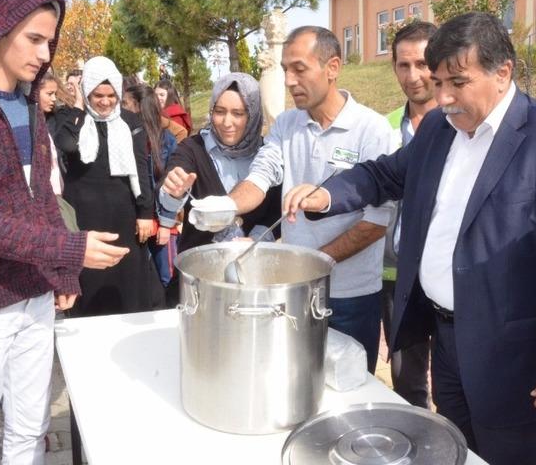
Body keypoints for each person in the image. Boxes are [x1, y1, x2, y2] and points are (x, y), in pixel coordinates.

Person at [283, 13, 536, 465]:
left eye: (458, 81)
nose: (445, 97)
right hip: (447, 344)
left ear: (503, 72)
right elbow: (383, 174)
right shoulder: (439, 128)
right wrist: (326, 194)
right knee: (457, 451)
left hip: (518, 365)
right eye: (438, 83)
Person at [0, 0, 130, 462]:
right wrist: (69, 250)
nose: (44, 54)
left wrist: (60, 271)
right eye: (34, 39)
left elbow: (41, 201)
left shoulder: (30, 106)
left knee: (29, 430)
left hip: (34, 296)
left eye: (49, 42)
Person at [197, 27, 396, 373]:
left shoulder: (372, 130)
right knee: (293, 381)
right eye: (285, 69)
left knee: (346, 389)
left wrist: (312, 263)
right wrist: (226, 205)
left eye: (299, 69)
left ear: (332, 67)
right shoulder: (288, 124)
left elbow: (377, 222)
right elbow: (261, 176)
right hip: (292, 292)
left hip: (350, 295)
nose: (289, 80)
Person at [53, 56, 159, 317]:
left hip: (123, 214)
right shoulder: (72, 119)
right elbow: (66, 145)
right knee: (89, 280)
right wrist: (78, 107)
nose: (105, 101)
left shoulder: (130, 122)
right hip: (84, 217)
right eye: (97, 94)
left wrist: (145, 213)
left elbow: (140, 167)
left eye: (111, 95)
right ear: (87, 91)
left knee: (126, 282)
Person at [159, 72, 282, 253]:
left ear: (253, 114)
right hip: (198, 271)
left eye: (238, 113)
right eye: (219, 111)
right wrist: (173, 193)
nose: (227, 122)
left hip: (254, 271)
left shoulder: (268, 154)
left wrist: (257, 239)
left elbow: (277, 209)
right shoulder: (192, 149)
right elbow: (168, 198)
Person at [381, 21, 438, 409]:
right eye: (404, 65)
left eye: (423, 63)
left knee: (457, 382)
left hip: (448, 276)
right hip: (395, 277)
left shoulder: (462, 126)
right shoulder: (383, 126)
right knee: (407, 381)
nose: (414, 75)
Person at [124, 83, 180, 288]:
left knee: (167, 278)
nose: (121, 109)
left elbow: (174, 186)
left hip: (161, 221)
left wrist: (166, 223)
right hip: (135, 223)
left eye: (125, 103)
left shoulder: (166, 140)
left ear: (138, 106)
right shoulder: (123, 139)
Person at [123, 84, 189, 143]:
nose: (158, 98)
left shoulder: (162, 121)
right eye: (156, 95)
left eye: (124, 103)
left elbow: (182, 132)